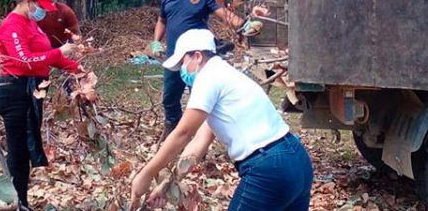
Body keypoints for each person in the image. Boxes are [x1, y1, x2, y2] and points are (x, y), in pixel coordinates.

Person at [131, 29, 313, 210]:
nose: (182, 70)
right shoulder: (226, 75)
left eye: (183, 62)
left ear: (197, 56)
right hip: (297, 160)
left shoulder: (207, 77)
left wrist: (145, 176)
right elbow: (198, 142)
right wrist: (168, 184)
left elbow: (183, 134)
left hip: (269, 168)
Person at [0, 0, 84, 210]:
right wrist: (58, 51)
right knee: (19, 151)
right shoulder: (12, 25)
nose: (43, 10)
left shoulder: (31, 23)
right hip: (15, 91)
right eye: (41, 6)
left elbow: (47, 56)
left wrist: (77, 69)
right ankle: (19, 203)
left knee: (27, 148)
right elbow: (23, 60)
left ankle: (21, 201)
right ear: (28, 2)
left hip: (31, 90)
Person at [149, 0, 262, 139]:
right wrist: (156, 41)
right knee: (170, 98)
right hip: (174, 56)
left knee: (200, 100)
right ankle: (173, 132)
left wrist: (244, 25)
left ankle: (198, 140)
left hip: (198, 58)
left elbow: (224, 14)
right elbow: (162, 21)